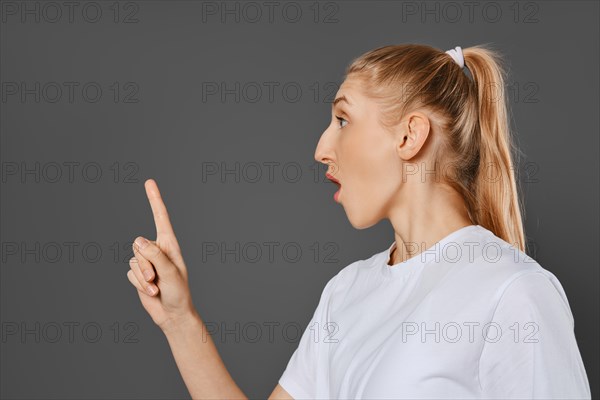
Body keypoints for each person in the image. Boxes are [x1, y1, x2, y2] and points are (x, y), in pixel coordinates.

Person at [126, 44, 592, 399]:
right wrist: (178, 320)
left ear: (411, 135)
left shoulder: (514, 294)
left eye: (343, 119)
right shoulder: (347, 291)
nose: (321, 148)